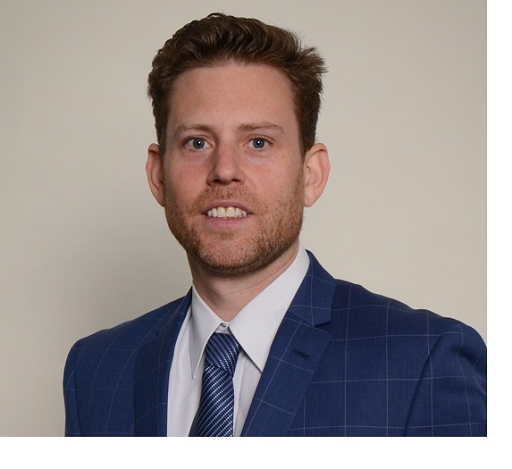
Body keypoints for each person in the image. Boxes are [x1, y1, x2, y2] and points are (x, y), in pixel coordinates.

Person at [63, 13, 486, 437]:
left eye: (259, 142)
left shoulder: (424, 360)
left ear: (311, 175)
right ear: (158, 175)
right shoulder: (97, 369)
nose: (224, 170)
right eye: (197, 142)